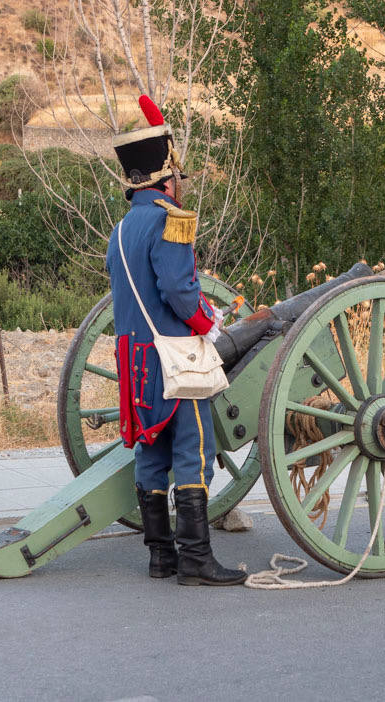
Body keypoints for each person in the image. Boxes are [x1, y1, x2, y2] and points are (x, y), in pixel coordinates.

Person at [106, 94, 245, 587]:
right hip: (174, 358)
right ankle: (196, 561)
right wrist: (212, 324)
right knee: (194, 450)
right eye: (178, 178)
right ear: (167, 178)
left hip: (136, 359)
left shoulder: (121, 230)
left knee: (152, 452)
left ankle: (160, 556)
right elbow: (179, 291)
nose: (181, 186)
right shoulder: (171, 220)